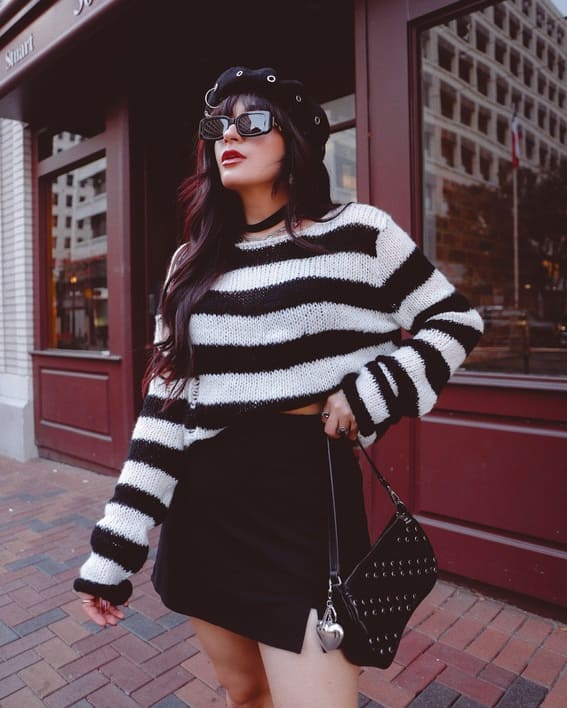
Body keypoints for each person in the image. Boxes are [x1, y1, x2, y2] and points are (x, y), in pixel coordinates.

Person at [74, 65, 484, 707]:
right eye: (216, 126)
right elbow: (164, 413)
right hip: (207, 513)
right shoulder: (192, 262)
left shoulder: (358, 234)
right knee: (245, 695)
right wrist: (113, 554)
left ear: (293, 139)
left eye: (251, 121)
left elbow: (455, 320)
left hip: (307, 507)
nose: (228, 136)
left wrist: (372, 391)